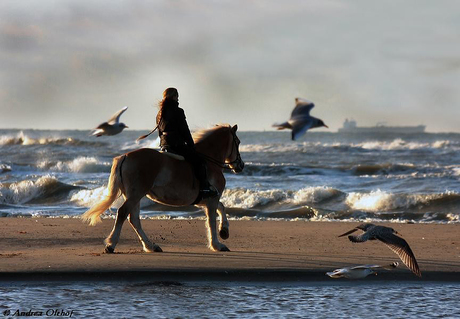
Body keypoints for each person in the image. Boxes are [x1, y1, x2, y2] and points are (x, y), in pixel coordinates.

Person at [156, 87, 219, 199]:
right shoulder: (178, 111)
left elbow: (160, 132)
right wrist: (191, 145)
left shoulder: (160, 113)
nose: (178, 98)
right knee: (200, 162)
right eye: (177, 96)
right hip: (176, 145)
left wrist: (163, 144)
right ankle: (204, 188)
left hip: (164, 145)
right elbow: (184, 130)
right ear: (174, 96)